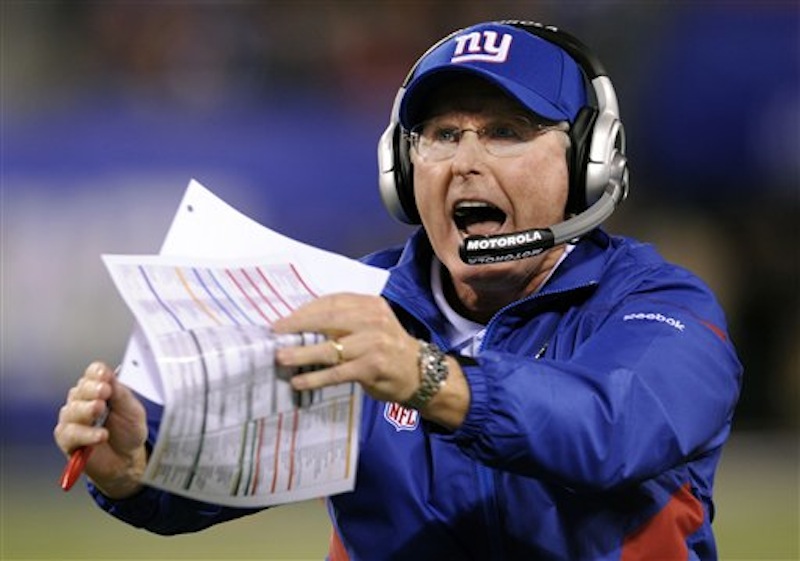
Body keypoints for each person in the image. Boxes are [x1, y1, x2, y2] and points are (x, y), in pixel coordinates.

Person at [54, 20, 742, 560]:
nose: (466, 162)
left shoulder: (664, 307)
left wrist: (425, 376)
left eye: (506, 132)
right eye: (442, 135)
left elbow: (611, 429)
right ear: (403, 168)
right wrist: (138, 467)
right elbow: (230, 471)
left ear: (590, 162)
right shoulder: (359, 305)